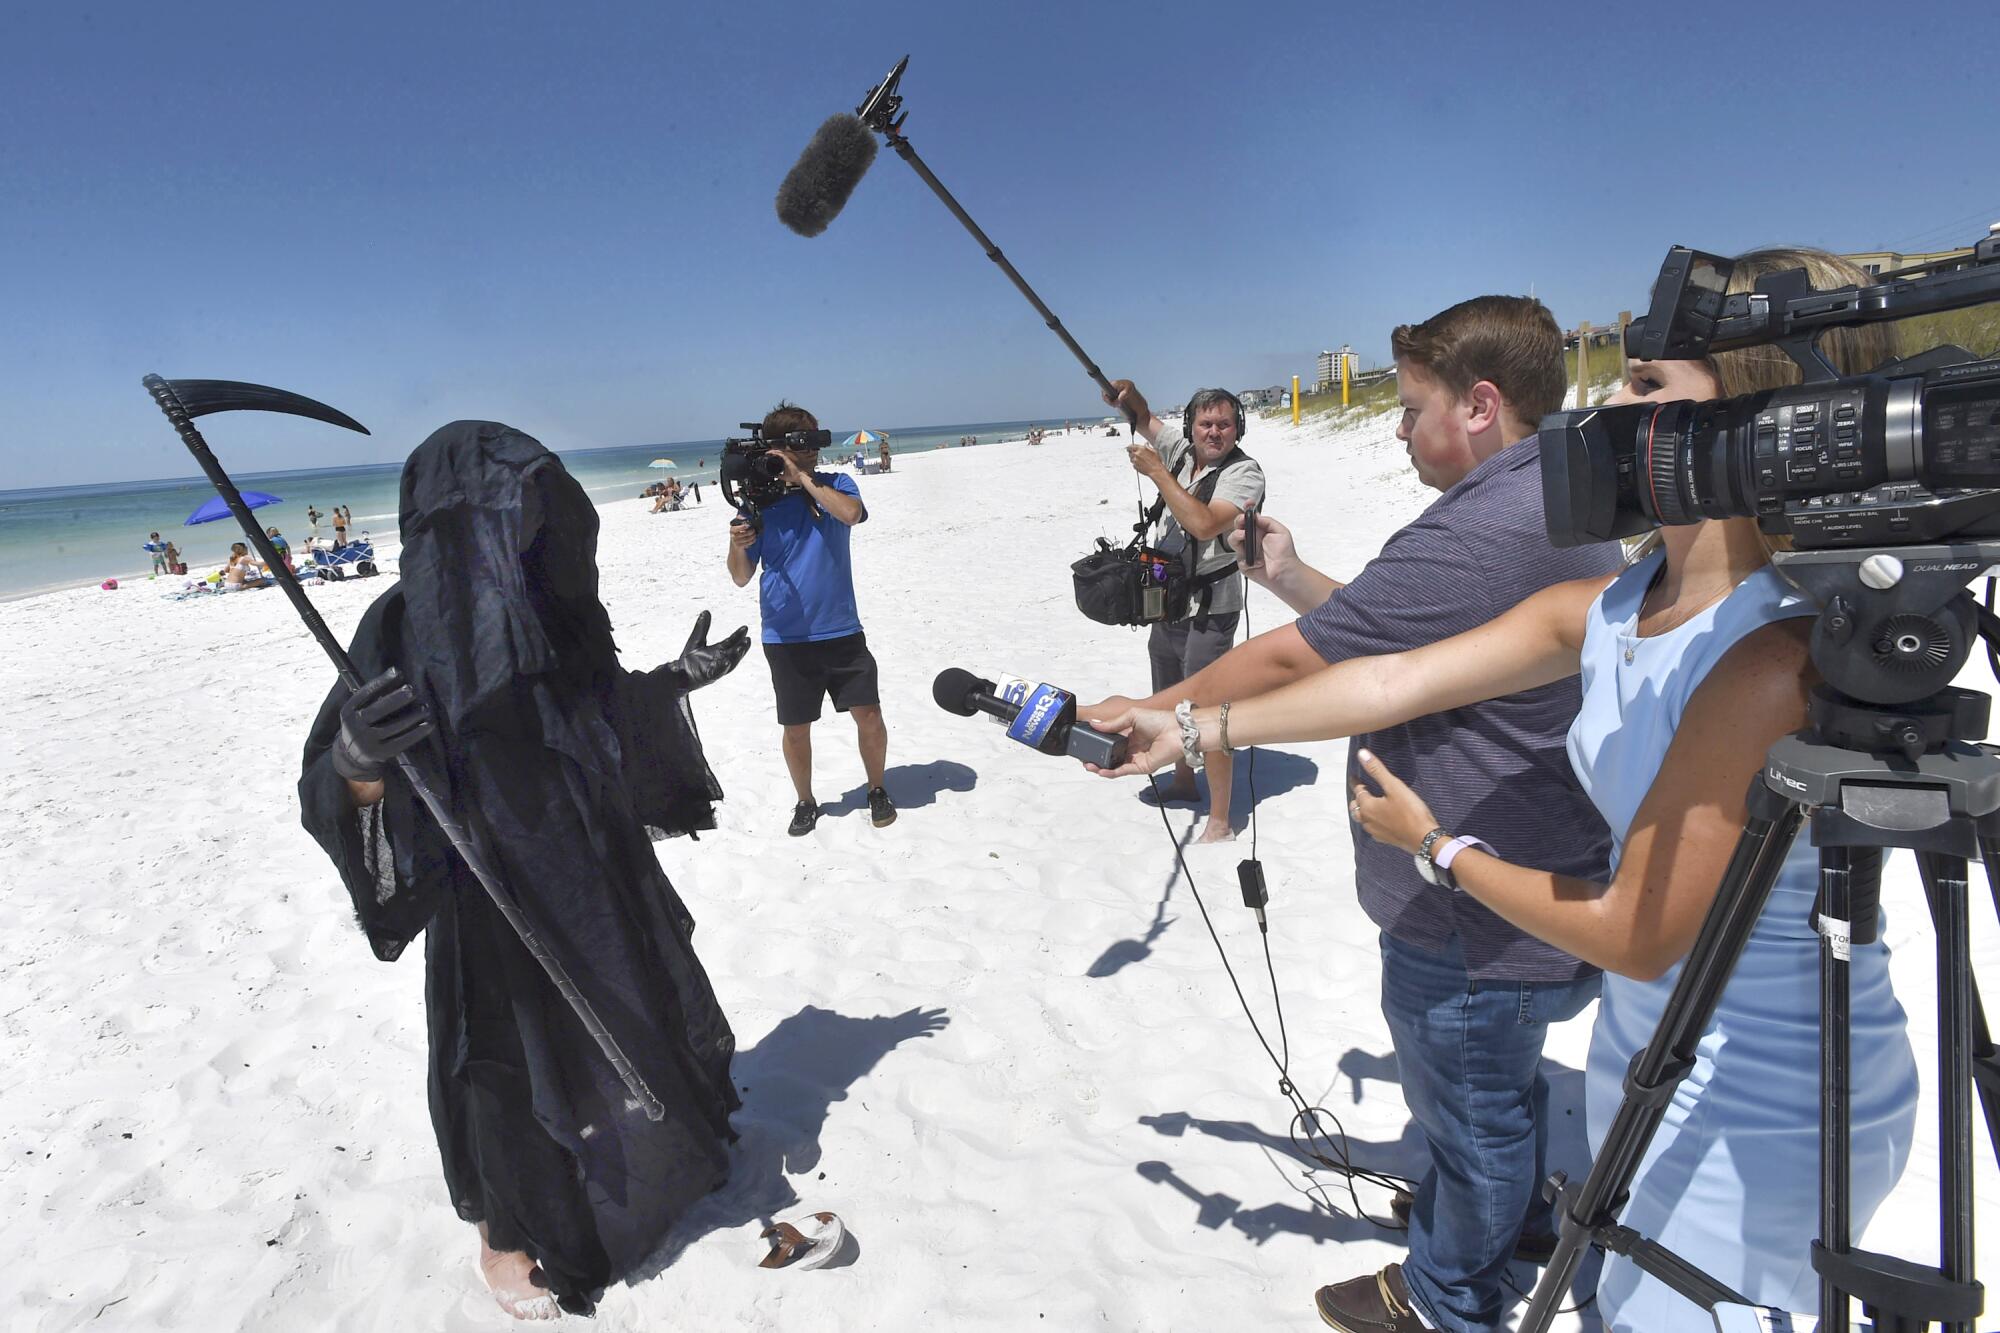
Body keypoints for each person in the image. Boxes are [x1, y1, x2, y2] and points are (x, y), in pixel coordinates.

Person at [1101, 253, 1917, 1331]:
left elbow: (1634, 931)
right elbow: (1392, 672)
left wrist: (1434, 844)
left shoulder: (1764, 653)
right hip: (1651, 1058)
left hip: (1754, 1092)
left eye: (1645, 387)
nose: (1608, 409)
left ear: (1756, 422)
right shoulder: (1617, 597)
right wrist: (1190, 726)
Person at [1088, 298, 1618, 1331]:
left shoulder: (1487, 524)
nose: (1395, 425)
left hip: (1471, 903)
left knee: (1468, 1110)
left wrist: (1154, 712)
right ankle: (1493, 1217)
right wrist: (1285, 576)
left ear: (1476, 405)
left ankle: (1445, 1292)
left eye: (1412, 406)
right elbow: (1413, 647)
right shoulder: (1550, 494)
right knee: (1486, 1098)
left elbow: (1308, 660)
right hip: (1529, 871)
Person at [299, 421, 751, 1319]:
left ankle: (658, 1155)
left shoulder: (550, 597)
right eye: (517, 509)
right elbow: (331, 776)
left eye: (544, 506)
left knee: (636, 1001)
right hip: (486, 878)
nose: (536, 527)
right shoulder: (399, 620)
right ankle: (505, 1240)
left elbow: (594, 710)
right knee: (502, 1063)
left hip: (589, 854)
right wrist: (355, 757)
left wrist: (670, 682)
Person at [1100, 383, 1267, 844]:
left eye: (1224, 424)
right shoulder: (1179, 450)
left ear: (1238, 428)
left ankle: (1219, 818)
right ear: (1192, 426)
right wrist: (1125, 393)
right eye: (1205, 424)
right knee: (1168, 694)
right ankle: (1182, 779)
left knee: (1207, 712)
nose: (1214, 432)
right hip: (1167, 599)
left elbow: (1204, 522)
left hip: (1212, 605)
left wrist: (1157, 475)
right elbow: (1143, 417)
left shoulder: (1245, 473)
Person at [726, 401, 895, 836]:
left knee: (869, 715)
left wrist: (802, 478)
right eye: (804, 443)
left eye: (816, 440)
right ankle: (805, 800)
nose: (815, 449)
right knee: (796, 728)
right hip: (785, 636)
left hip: (841, 629)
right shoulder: (759, 503)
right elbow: (741, 577)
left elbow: (851, 514)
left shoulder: (836, 483)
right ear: (779, 447)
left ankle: (877, 788)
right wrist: (739, 543)